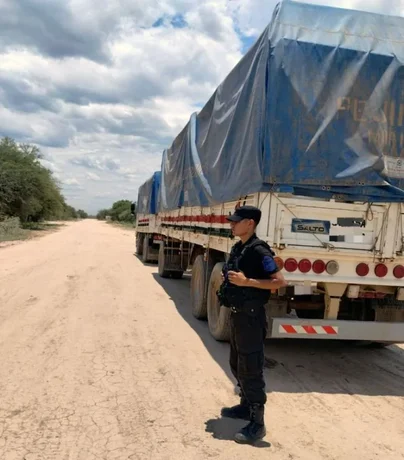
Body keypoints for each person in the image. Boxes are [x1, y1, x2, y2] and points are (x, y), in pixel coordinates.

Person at [218, 205, 287, 444]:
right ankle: (245, 406)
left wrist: (247, 282)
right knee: (237, 364)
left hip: (252, 318)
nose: (232, 225)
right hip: (238, 316)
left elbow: (278, 282)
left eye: (236, 221)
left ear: (250, 223)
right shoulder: (240, 247)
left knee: (251, 368)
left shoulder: (260, 250)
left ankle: (258, 424)